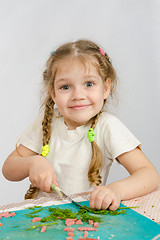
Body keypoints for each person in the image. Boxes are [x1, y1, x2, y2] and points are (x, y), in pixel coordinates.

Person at [2, 39, 159, 211]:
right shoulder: (46, 122)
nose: (78, 95)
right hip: (42, 219)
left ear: (105, 88)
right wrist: (33, 163)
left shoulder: (108, 126)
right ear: (53, 93)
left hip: (82, 220)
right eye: (65, 87)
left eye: (89, 84)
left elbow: (149, 175)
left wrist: (116, 190)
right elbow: (9, 169)